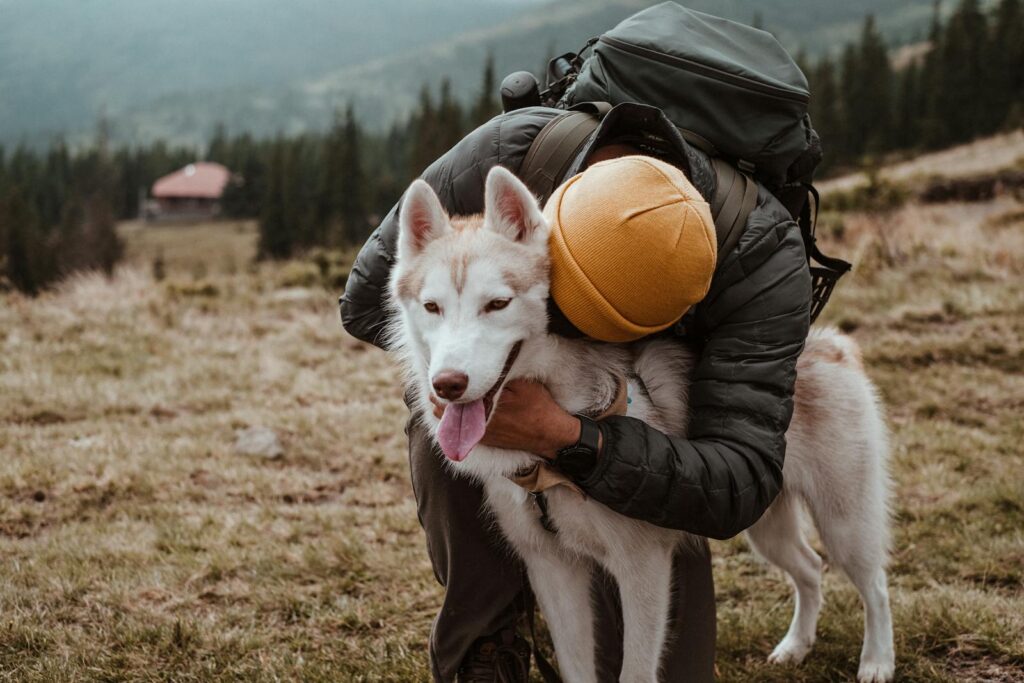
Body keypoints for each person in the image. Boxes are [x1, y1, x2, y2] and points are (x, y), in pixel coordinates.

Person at [340, 102, 811, 682]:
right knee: (438, 421)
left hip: (661, 428)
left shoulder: (760, 253)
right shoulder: (509, 153)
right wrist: (497, 366)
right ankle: (488, 633)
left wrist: (567, 434)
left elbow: (736, 484)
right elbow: (362, 306)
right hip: (529, 342)